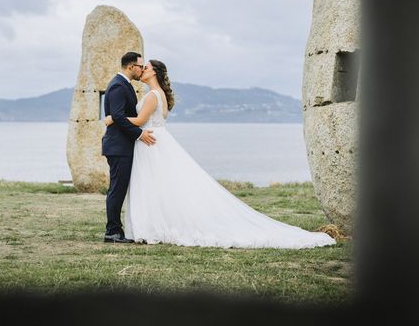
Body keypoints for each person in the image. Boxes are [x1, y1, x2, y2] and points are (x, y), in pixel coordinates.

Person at [105, 59, 336, 249]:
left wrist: (113, 118)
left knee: (153, 186)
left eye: (145, 68)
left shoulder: (153, 95)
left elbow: (141, 121)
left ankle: (151, 227)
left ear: (154, 72)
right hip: (156, 141)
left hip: (150, 142)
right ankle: (152, 225)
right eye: (141, 67)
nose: (142, 70)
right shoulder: (159, 94)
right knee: (159, 187)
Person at [101, 52, 156, 243]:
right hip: (118, 147)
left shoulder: (125, 85)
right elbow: (117, 116)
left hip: (122, 146)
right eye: (140, 66)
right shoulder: (118, 85)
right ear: (131, 66)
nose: (142, 69)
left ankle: (115, 230)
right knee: (117, 189)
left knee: (120, 188)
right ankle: (112, 232)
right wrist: (140, 134)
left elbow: (118, 117)